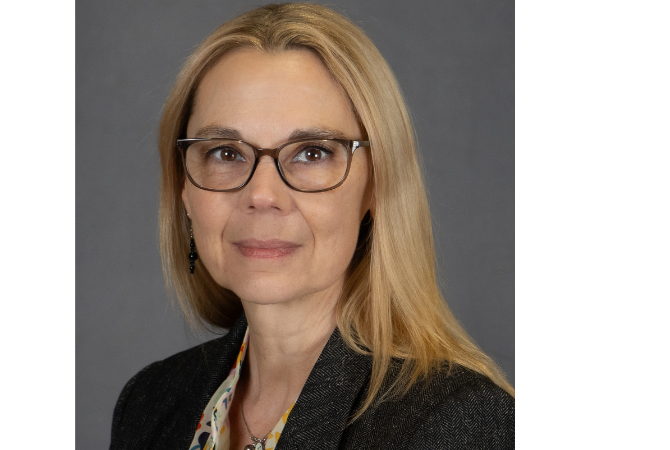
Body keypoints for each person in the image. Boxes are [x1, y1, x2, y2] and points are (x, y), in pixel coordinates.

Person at [110, 3, 514, 449]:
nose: (262, 195)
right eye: (226, 153)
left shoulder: (459, 423)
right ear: (183, 187)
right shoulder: (150, 403)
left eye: (311, 153)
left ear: (376, 185)